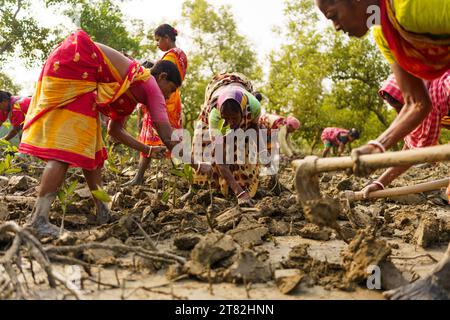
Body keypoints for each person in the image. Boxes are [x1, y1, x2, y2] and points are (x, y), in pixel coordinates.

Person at [316, 0, 450, 299]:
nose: (335, 27)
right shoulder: (383, 32)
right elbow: (417, 103)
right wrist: (378, 145)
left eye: (334, 15)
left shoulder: (409, 8)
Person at [19, 29, 182, 238]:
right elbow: (168, 136)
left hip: (70, 64)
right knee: (65, 149)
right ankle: (38, 219)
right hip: (76, 65)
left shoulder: (130, 86)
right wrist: (196, 161)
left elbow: (114, 131)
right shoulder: (149, 84)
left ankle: (103, 210)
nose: (170, 94)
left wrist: (147, 148)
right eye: (172, 88)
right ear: (162, 77)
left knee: (92, 149)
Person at [361, 72, 450, 198]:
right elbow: (408, 153)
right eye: (396, 109)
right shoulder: (430, 104)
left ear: (413, 99)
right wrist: (379, 183)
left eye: (402, 107)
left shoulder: (444, 86)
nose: (401, 113)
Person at [126, 24, 188, 186]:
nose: (157, 44)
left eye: (158, 40)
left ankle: (139, 178)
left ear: (167, 38)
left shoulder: (170, 56)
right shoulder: (181, 55)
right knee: (171, 139)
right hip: (173, 102)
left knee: (153, 138)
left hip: (163, 100)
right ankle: (188, 175)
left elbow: (158, 77)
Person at [188, 73, 261, 206]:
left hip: (242, 83)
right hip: (216, 87)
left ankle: (238, 182)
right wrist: (239, 193)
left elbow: (254, 129)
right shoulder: (214, 114)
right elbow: (220, 159)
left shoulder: (254, 106)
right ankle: (203, 187)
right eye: (225, 118)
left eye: (234, 118)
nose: (229, 122)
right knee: (203, 145)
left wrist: (257, 154)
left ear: (243, 112)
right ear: (221, 114)